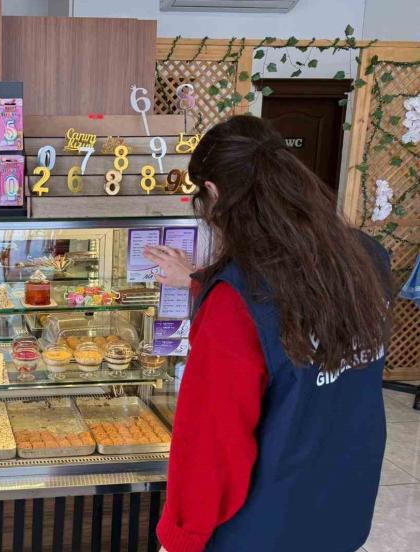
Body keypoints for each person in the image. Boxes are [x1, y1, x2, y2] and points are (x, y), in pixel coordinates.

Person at [144, 114, 392, 552]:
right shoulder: (367, 258)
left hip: (266, 526)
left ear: (214, 193)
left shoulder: (237, 301)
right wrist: (200, 282)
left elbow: (210, 448)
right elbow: (296, 318)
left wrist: (180, 537)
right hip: (344, 506)